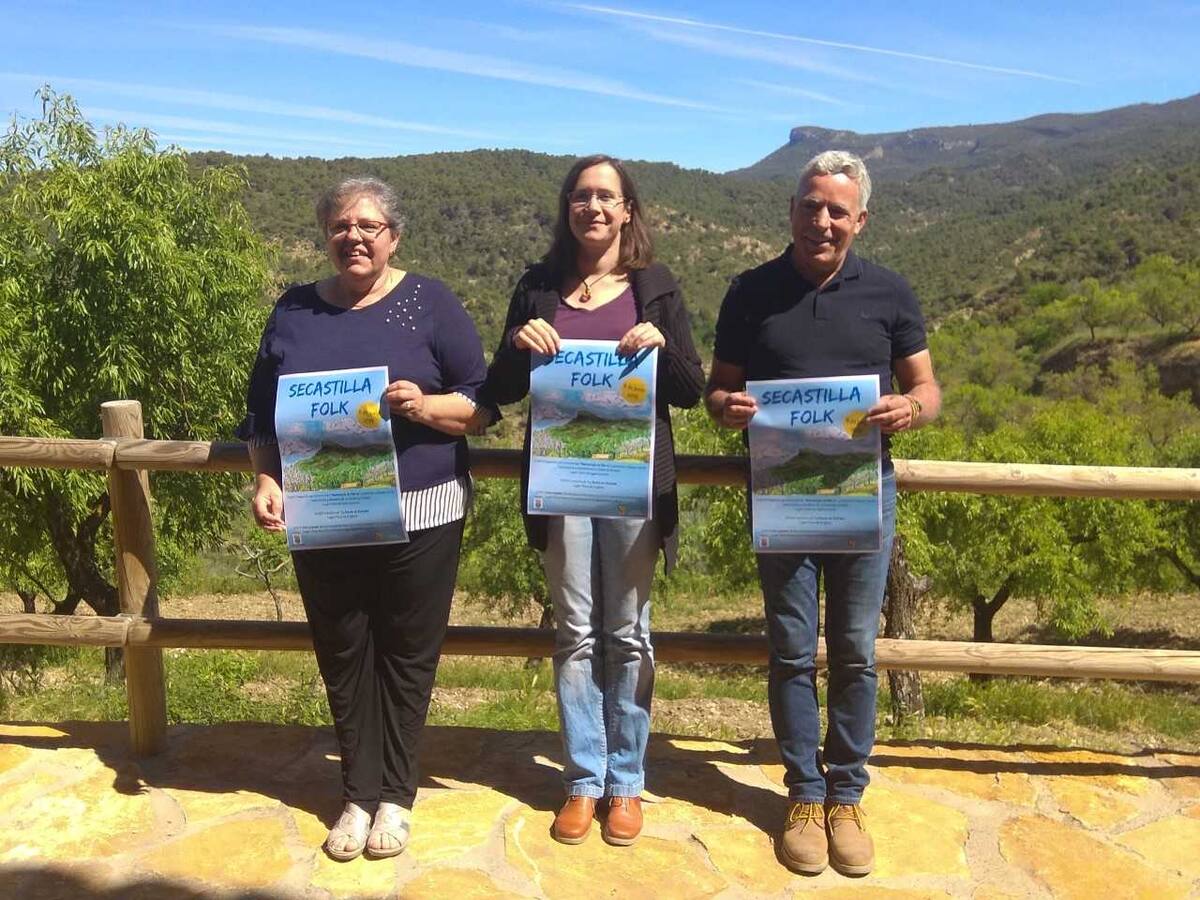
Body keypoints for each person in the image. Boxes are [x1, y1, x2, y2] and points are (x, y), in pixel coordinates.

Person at [705, 151, 940, 877]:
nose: (823, 221)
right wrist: (729, 410)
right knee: (790, 649)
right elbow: (718, 395)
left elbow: (929, 389)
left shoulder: (890, 293)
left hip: (865, 496)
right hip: (782, 497)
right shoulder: (750, 293)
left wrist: (910, 409)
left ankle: (847, 795)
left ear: (860, 219)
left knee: (856, 652)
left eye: (838, 210)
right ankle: (803, 796)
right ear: (793, 211)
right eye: (811, 206)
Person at [239, 177, 486, 862]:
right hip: (326, 511)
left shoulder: (429, 303)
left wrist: (425, 408)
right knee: (343, 654)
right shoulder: (293, 310)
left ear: (393, 237)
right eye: (341, 225)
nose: (354, 236)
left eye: (369, 226)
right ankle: (356, 793)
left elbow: (479, 400)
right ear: (325, 235)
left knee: (407, 657)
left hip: (423, 515)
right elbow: (261, 412)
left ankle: (397, 798)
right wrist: (265, 475)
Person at [479, 155, 705, 846]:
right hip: (561, 486)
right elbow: (505, 388)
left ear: (628, 209)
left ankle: (626, 782)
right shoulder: (538, 288)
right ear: (567, 208)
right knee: (575, 631)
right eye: (582, 197)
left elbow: (691, 389)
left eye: (607, 196)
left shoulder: (655, 288)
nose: (594, 208)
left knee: (629, 634)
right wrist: (521, 344)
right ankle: (583, 780)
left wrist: (661, 348)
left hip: (635, 486)